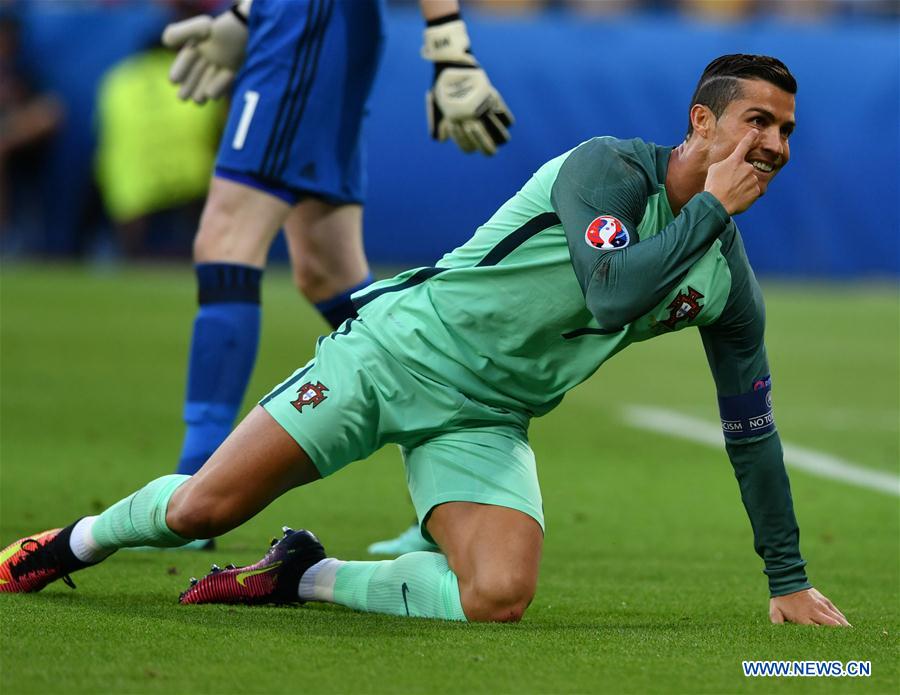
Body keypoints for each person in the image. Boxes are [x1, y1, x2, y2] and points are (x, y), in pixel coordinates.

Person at [0, 54, 849, 627]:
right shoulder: (608, 169)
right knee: (198, 511)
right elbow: (611, 293)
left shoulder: (728, 283)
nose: (771, 146)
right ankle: (72, 543)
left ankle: (300, 573)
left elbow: (752, 430)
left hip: (487, 416)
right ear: (702, 121)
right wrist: (711, 209)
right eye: (756, 122)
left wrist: (787, 578)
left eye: (785, 132)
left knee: (498, 596)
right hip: (394, 353)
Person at [154, 0, 513, 550]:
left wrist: (449, 46)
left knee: (226, 237)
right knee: (329, 273)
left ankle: (190, 486)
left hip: (307, 23)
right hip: (313, 28)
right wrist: (250, 16)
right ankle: (463, 486)